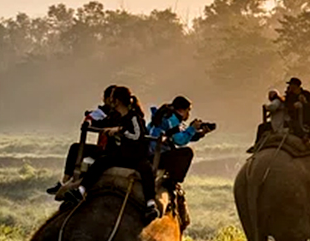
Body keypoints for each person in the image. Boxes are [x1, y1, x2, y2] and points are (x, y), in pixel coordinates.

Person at [66, 86, 160, 224]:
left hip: (134, 157)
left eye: (112, 98)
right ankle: (81, 190)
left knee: (146, 169)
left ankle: (150, 204)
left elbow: (137, 135)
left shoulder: (133, 117)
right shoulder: (115, 115)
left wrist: (120, 131)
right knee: (101, 162)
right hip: (119, 155)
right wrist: (89, 122)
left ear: (116, 100)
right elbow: (102, 123)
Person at [47, 85, 120, 194]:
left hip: (113, 151)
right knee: (75, 147)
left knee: (76, 148)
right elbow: (96, 122)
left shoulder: (120, 115)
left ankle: (66, 182)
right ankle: (65, 182)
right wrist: (90, 121)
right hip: (107, 148)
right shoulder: (109, 113)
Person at [149, 95, 212, 187]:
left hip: (154, 152)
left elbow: (178, 136)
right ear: (181, 110)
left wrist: (199, 133)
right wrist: (192, 128)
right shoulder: (171, 119)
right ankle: (172, 181)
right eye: (188, 110)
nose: (188, 114)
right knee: (187, 153)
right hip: (156, 155)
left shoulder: (165, 115)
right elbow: (179, 140)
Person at [283, 77, 310, 141]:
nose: (290, 86)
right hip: (295, 117)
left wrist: (305, 102)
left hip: (306, 116)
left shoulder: (307, 94)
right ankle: (302, 136)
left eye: (291, 85)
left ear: (296, 86)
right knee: (294, 124)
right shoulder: (289, 96)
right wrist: (293, 106)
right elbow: (287, 106)